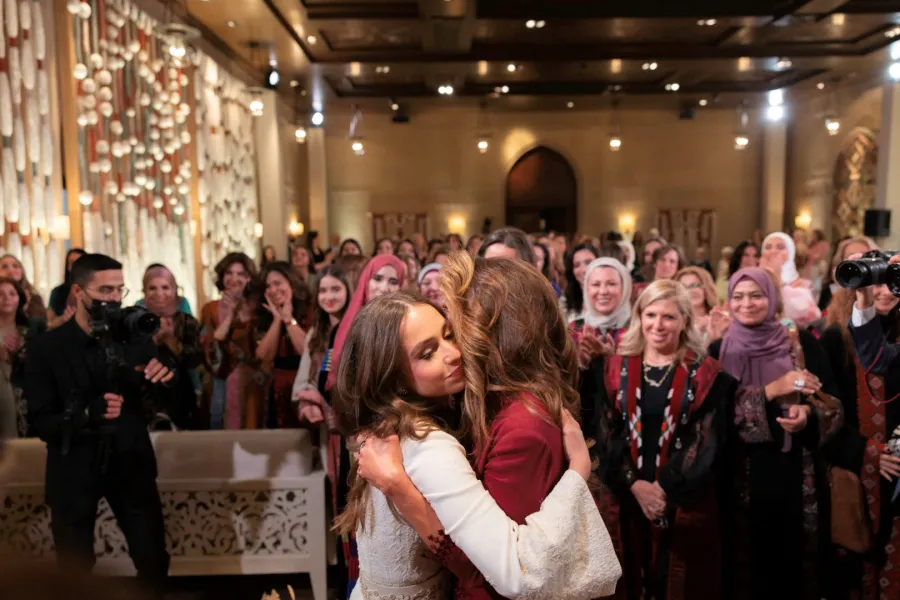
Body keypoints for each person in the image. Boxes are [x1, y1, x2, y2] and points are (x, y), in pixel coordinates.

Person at [338, 283, 620, 598]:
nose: (454, 354)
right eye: (427, 354)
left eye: (449, 335)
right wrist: (577, 473)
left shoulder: (384, 427)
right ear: (393, 377)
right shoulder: (430, 446)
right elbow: (514, 575)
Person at [24, 253, 174, 594]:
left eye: (120, 290)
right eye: (105, 290)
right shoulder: (47, 348)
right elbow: (39, 422)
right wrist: (87, 415)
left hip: (130, 461)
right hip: (73, 466)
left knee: (152, 559)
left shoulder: (135, 338)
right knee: (74, 566)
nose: (114, 299)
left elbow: (167, 397)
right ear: (78, 292)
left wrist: (165, 377)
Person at [709, 267, 843, 600]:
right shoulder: (717, 351)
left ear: (772, 298)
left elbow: (835, 405)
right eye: (738, 296)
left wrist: (808, 413)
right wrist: (772, 390)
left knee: (795, 568)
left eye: (757, 295)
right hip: (740, 475)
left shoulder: (802, 346)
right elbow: (715, 418)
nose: (747, 303)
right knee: (744, 571)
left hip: (796, 472)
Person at [597, 279, 735, 599]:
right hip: (627, 499)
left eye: (669, 317)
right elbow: (608, 434)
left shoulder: (706, 374)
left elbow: (706, 442)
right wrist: (635, 485)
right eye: (651, 315)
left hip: (684, 502)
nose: (658, 325)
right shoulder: (614, 368)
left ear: (685, 320)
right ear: (639, 317)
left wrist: (663, 491)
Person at [200, 252, 265, 430]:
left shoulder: (257, 310)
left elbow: (260, 351)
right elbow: (210, 346)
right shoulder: (210, 309)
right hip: (219, 382)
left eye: (241, 274)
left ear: (249, 278)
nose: (234, 278)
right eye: (229, 273)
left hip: (251, 383)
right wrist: (230, 316)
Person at [138, 264, 202, 430]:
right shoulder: (136, 322)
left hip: (182, 401)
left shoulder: (187, 321)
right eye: (152, 288)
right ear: (144, 292)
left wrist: (170, 340)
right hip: (146, 403)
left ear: (174, 290)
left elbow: (194, 362)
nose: (159, 293)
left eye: (165, 287)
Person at [256, 261, 310, 429]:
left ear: (291, 282)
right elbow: (263, 356)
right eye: (268, 286)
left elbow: (306, 350)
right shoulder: (264, 315)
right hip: (277, 391)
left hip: (305, 387)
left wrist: (288, 319)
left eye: (278, 283)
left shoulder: (309, 309)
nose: (273, 290)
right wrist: (277, 320)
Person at [760, 232, 821, 327]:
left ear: (791, 252)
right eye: (768, 247)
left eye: (780, 247)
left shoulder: (801, 286)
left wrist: (777, 279)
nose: (773, 251)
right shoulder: (750, 280)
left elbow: (810, 318)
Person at [675, 266, 718, 340]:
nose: (690, 291)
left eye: (695, 285)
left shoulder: (718, 321)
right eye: (683, 287)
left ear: (706, 289)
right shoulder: (674, 322)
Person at [47, 248, 86, 329]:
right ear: (68, 267)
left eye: (79, 262)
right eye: (72, 263)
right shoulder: (57, 292)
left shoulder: (93, 291)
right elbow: (49, 323)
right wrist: (63, 319)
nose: (75, 266)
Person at [0, 254, 47, 322]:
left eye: (15, 266)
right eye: (4, 267)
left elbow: (42, 327)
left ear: (22, 271)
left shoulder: (35, 299)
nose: (11, 270)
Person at [562, 243, 599, 323]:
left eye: (588, 262)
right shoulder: (565, 301)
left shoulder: (607, 299)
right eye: (577, 265)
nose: (583, 270)